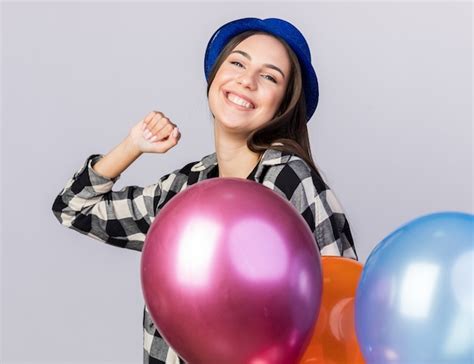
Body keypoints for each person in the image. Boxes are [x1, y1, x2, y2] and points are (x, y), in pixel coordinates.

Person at [51, 17, 359, 364]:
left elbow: (341, 320)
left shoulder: (290, 181)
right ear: (215, 76)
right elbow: (74, 208)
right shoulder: (186, 191)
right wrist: (133, 145)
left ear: (283, 103)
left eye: (269, 76)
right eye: (238, 62)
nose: (247, 80)